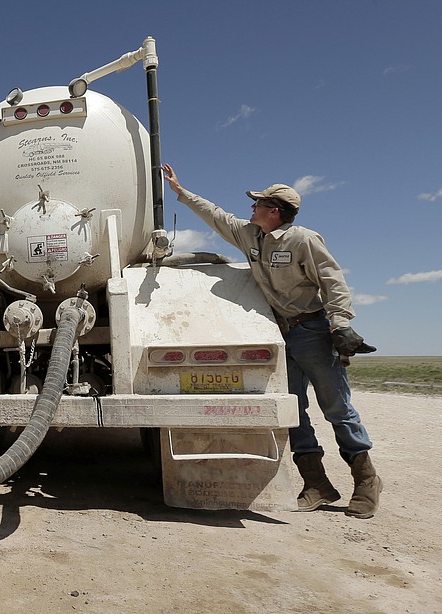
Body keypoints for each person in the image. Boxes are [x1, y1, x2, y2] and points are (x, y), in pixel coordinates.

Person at [161, 163, 382, 518]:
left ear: (274, 211)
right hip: (281, 333)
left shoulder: (303, 240)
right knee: (294, 411)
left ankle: (366, 481)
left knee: (337, 408)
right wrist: (181, 192)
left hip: (313, 331)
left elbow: (333, 282)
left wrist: (340, 325)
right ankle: (317, 484)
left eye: (258, 204)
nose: (251, 208)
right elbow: (217, 216)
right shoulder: (251, 236)